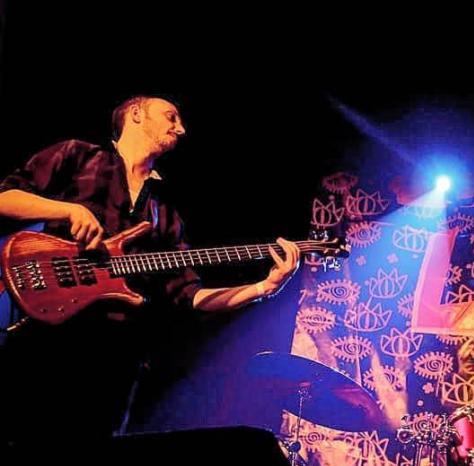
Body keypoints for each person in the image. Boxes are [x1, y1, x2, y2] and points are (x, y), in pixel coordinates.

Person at [0, 95, 301, 443]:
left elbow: (191, 296)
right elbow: (5, 199)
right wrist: (68, 210)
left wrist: (263, 288)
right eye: (171, 117)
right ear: (136, 114)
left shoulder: (164, 212)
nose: (181, 129)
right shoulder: (79, 156)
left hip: (114, 359)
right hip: (48, 337)